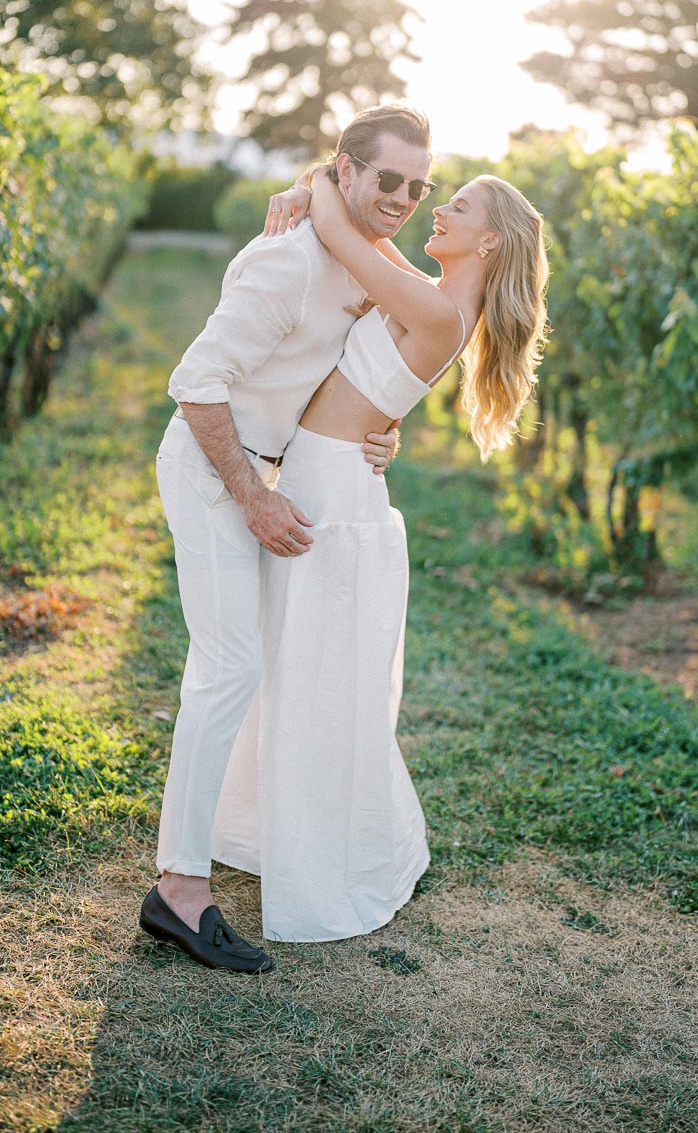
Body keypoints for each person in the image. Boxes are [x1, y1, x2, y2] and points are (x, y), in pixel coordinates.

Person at [208, 162, 550, 943]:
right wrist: (311, 185)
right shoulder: (430, 296)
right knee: (296, 669)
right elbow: (356, 232)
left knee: (319, 683)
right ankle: (271, 828)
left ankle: (327, 850)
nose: (436, 213)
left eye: (454, 207)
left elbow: (338, 228)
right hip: (329, 483)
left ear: (488, 240)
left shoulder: (436, 310)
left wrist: (315, 183)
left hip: (335, 502)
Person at [139, 105, 434, 973]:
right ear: (346, 170)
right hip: (209, 468)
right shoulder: (286, 257)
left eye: (419, 187)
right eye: (388, 179)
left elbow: (358, 373)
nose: (404, 198)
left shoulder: (361, 256)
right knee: (229, 666)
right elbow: (195, 382)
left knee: (251, 665)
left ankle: (229, 837)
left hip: (264, 473)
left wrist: (385, 432)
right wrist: (249, 494)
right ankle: (179, 894)